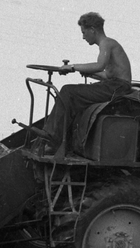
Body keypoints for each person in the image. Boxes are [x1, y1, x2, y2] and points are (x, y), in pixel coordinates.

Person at [41, 12, 132, 159]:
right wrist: (88, 74)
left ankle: (50, 137)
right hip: (114, 85)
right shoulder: (108, 45)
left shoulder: (106, 43)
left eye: (84, 32)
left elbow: (99, 66)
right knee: (73, 95)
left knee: (68, 91)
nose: (83, 37)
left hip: (117, 88)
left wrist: (72, 67)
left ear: (92, 30)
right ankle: (63, 144)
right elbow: (107, 74)